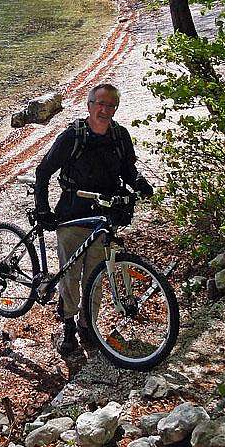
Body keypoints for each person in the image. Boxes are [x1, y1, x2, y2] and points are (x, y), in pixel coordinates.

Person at [33, 83, 154, 356]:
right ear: (89, 105)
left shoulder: (120, 137)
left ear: (116, 108)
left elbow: (128, 170)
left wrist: (141, 185)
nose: (104, 109)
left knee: (96, 276)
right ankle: (68, 328)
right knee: (70, 275)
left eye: (110, 105)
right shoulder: (72, 136)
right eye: (100, 103)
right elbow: (44, 171)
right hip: (73, 215)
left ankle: (88, 326)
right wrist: (43, 209)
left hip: (104, 216)